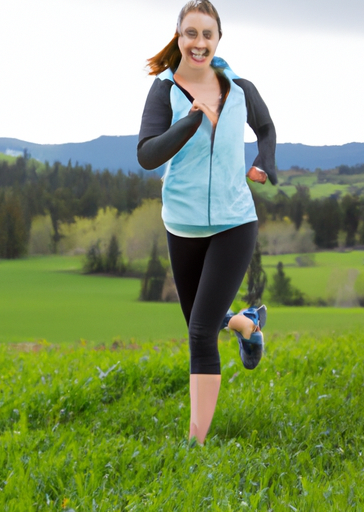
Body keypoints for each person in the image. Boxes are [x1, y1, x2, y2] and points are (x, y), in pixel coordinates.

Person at [137, 0, 276, 445]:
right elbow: (147, 154)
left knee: (199, 331)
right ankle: (248, 324)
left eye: (207, 34)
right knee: (206, 319)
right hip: (183, 223)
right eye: (191, 33)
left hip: (236, 221)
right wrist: (191, 121)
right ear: (179, 38)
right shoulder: (165, 92)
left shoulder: (239, 89)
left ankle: (195, 444)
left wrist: (264, 161)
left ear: (218, 40)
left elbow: (267, 128)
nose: (199, 43)